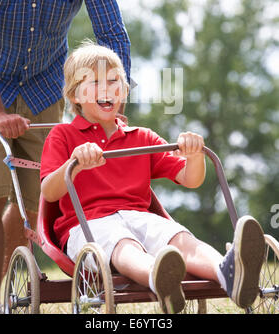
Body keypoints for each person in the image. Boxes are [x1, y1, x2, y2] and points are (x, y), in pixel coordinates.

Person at [0, 0, 130, 314]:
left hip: (44, 85)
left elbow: (112, 36)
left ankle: (5, 288)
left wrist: (112, 103)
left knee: (35, 199)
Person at [40, 41, 265, 314]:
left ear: (124, 90)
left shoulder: (141, 137)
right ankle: (158, 277)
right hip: (88, 224)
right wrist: (73, 164)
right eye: (96, 82)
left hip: (139, 216)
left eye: (114, 81)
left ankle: (229, 272)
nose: (107, 89)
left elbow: (190, 179)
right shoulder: (63, 136)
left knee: (178, 238)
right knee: (122, 244)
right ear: (75, 95)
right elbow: (50, 193)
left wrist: (193, 155)